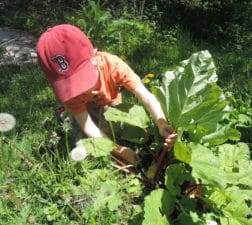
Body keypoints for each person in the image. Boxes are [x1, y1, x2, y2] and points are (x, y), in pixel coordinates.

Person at [36, 24, 177, 166]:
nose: (82, 90)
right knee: (81, 144)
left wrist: (161, 123)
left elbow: (147, 97)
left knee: (126, 131)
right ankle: (67, 115)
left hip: (110, 106)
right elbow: (88, 127)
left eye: (83, 78)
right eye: (70, 86)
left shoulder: (114, 66)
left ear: (94, 57)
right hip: (84, 111)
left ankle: (67, 113)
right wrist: (118, 150)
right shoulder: (72, 96)